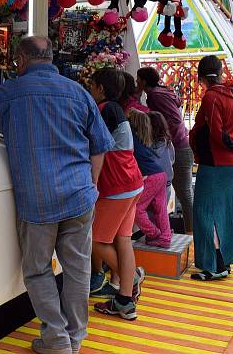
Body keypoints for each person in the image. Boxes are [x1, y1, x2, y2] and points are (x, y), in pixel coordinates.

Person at [0, 36, 114, 354]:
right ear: (50, 58)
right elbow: (100, 144)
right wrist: (93, 183)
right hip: (79, 196)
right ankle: (74, 338)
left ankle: (56, 338)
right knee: (78, 268)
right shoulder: (78, 92)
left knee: (37, 269)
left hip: (38, 198)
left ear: (21, 59)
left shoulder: (10, 92)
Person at [85, 68, 145, 321]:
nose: (89, 89)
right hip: (132, 183)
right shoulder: (116, 110)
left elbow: (93, 145)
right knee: (122, 240)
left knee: (96, 240)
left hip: (116, 186)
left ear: (100, 88)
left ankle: (131, 281)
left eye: (92, 85)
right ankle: (124, 302)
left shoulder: (104, 109)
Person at [189, 55, 233, 281]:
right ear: (220, 70)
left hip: (214, 163)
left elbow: (216, 135)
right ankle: (226, 260)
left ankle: (213, 266)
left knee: (205, 213)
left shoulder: (211, 97)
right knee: (227, 211)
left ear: (201, 75)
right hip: (231, 165)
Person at [136, 66, 194, 233]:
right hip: (180, 145)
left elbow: (173, 120)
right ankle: (174, 231)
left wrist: (164, 137)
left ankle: (191, 234)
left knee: (184, 194)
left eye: (138, 79)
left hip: (178, 147)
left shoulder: (155, 95)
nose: (136, 82)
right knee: (178, 193)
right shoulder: (163, 92)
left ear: (144, 81)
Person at [129, 109, 172, 248]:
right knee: (161, 209)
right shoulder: (146, 139)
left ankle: (153, 233)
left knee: (136, 208)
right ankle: (165, 237)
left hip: (150, 177)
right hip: (161, 175)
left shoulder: (131, 139)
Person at [148, 110, 175, 195]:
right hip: (166, 180)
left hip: (151, 181)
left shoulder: (146, 144)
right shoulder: (168, 143)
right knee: (163, 207)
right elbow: (172, 159)